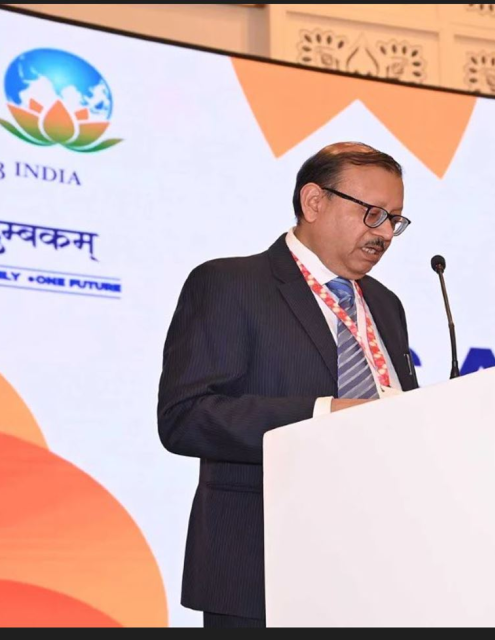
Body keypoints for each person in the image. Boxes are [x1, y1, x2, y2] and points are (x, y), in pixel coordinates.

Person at [157, 141, 419, 628]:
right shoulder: (231, 283)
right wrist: (322, 416)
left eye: (395, 220)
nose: (385, 233)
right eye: (373, 214)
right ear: (314, 202)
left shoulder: (386, 305)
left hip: (378, 568)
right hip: (263, 568)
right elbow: (186, 417)